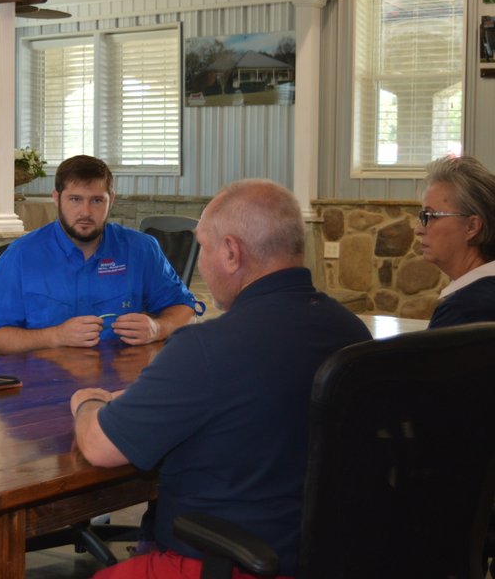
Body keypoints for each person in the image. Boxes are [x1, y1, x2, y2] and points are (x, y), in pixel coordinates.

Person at [71, 179, 372, 579]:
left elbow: (98, 447)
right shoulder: (350, 330)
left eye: (205, 248)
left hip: (224, 563)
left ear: (231, 252)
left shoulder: (206, 348)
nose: (203, 264)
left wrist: (88, 403)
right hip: (329, 555)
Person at [0, 155, 199, 356]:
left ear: (111, 199)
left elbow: (186, 310)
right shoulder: (21, 256)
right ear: (56, 198)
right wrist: (56, 336)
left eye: (96, 200)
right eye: (75, 199)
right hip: (44, 386)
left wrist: (157, 328)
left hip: (124, 386)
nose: (85, 212)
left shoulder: (140, 249)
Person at [415, 155, 495, 328]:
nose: (418, 230)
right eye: (423, 217)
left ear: (472, 226)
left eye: (430, 216)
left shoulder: (465, 310)